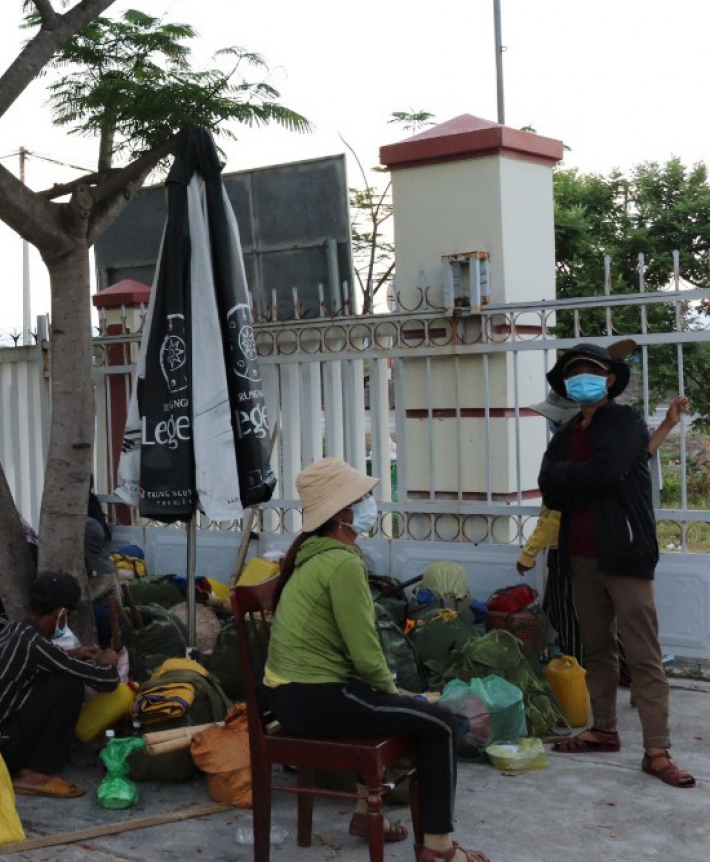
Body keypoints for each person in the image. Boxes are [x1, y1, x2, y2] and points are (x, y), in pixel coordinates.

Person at [265, 458, 487, 861]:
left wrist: (392, 694)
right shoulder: (342, 563)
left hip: (294, 696)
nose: (371, 503)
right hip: (312, 699)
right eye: (364, 497)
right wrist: (396, 693)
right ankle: (439, 849)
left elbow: (357, 657)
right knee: (441, 726)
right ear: (343, 513)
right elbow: (366, 654)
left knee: (405, 710)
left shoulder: (314, 554)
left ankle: (364, 814)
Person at [537, 344, 694, 788]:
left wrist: (572, 476)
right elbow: (549, 487)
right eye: (574, 373)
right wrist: (580, 475)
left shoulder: (624, 422)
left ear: (609, 380)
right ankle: (603, 729)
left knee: (643, 654)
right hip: (580, 555)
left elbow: (607, 472)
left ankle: (657, 749)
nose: (582, 379)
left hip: (624, 553)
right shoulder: (566, 433)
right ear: (566, 384)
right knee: (597, 650)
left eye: (591, 371)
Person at [0, 571, 118, 798]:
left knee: (54, 677)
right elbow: (107, 681)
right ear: (61, 614)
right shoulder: (35, 645)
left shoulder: (13, 631)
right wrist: (108, 662)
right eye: (69, 616)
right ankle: (36, 771)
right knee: (69, 685)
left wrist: (71, 654)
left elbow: (44, 660)